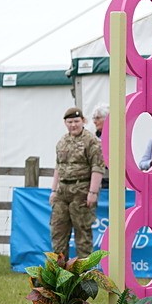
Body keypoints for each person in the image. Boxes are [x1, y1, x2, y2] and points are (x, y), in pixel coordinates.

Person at [51, 106, 104, 259]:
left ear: (83, 121)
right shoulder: (62, 141)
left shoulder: (91, 141)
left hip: (82, 191)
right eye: (70, 122)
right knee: (58, 234)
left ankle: (84, 276)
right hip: (62, 191)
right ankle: (60, 275)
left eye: (76, 121)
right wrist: (53, 191)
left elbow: (97, 167)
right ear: (65, 123)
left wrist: (93, 192)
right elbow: (58, 167)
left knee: (83, 235)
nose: (73, 125)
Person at [91, 105, 110, 190]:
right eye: (94, 118)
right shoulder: (94, 137)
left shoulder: (115, 136)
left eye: (98, 118)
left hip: (110, 179)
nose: (95, 121)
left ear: (107, 119)